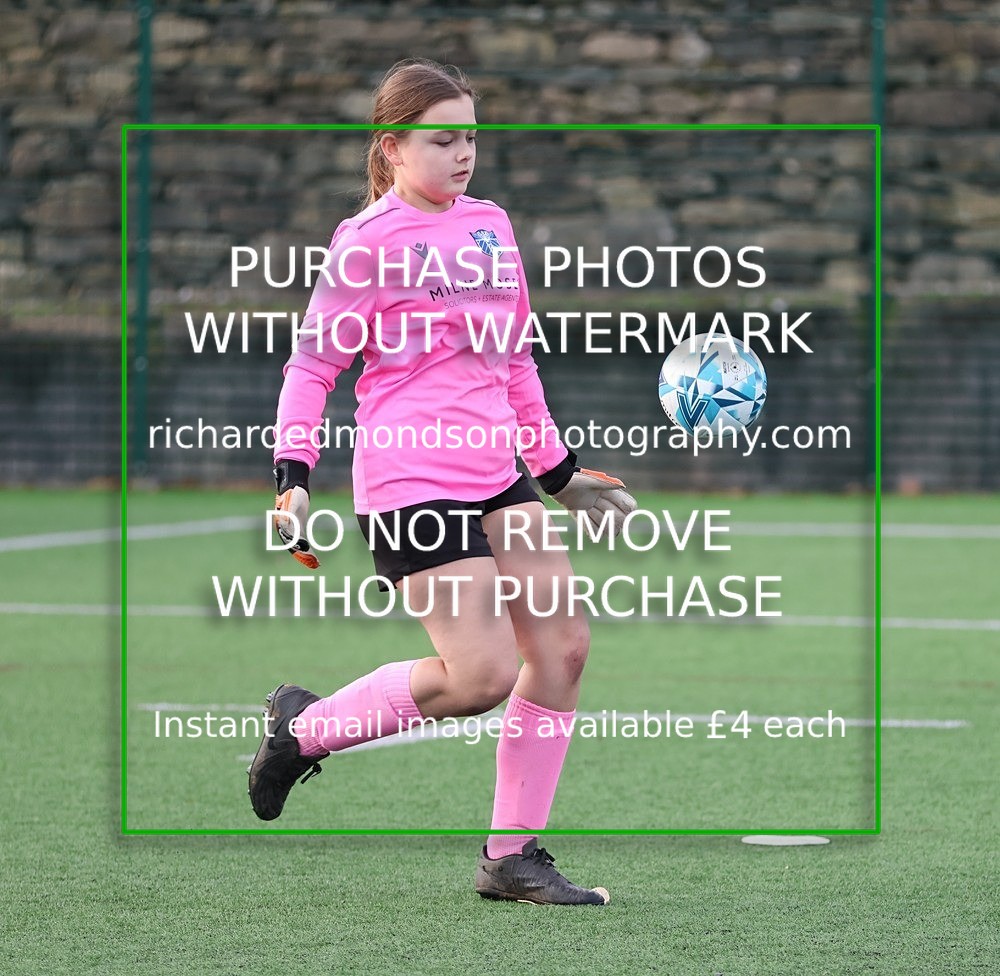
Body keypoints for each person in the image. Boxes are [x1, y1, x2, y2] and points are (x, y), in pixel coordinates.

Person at [248, 58, 636, 906]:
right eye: (442, 137)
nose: (463, 152)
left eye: (470, 134)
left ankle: (512, 857)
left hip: (499, 475)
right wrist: (293, 475)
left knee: (563, 650)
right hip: (411, 480)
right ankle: (303, 730)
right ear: (390, 148)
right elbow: (314, 367)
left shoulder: (492, 225)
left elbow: (517, 361)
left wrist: (560, 472)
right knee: (481, 676)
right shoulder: (368, 242)